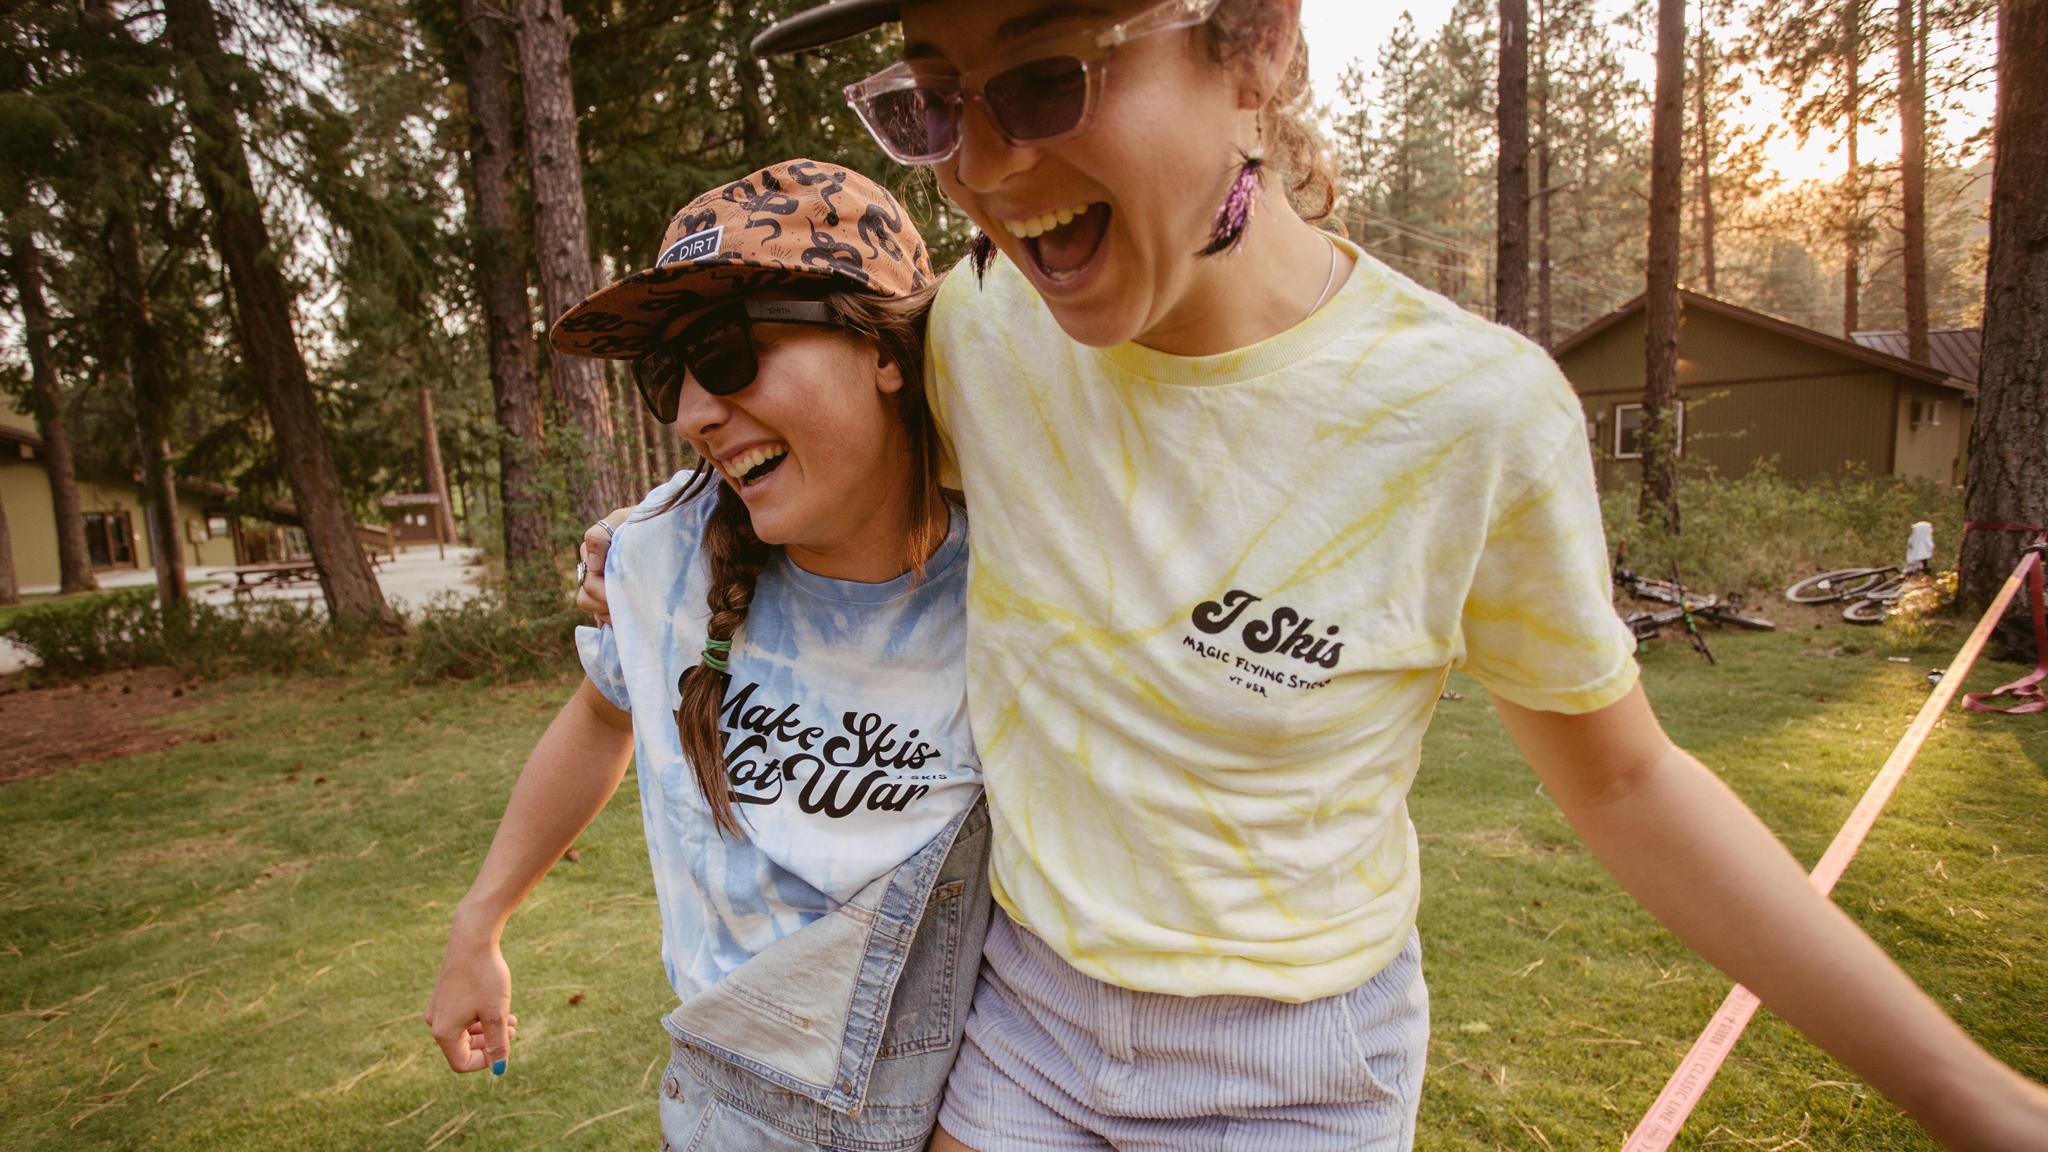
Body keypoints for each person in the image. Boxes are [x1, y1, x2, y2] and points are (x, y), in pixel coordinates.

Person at [577, 2, 2048, 1148]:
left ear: (1260, 44)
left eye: (1043, 81)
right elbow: (819, 450)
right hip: (1022, 1012)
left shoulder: (1468, 416)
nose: (985, 168)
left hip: (1291, 1071)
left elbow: (1624, 783)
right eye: (933, 104)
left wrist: (1968, 1100)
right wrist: (662, 530)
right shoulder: (978, 332)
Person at [429, 161, 991, 1152]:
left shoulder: (1022, 584)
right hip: (730, 1112)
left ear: (881, 348)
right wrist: (479, 923)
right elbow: (607, 712)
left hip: (965, 1113)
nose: (691, 412)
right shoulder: (659, 556)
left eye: (728, 353)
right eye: (665, 378)